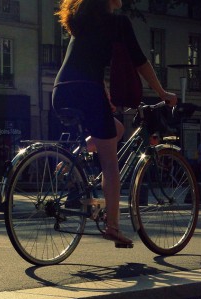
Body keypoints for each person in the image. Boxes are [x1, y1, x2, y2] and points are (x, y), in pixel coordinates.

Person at [53, 0, 177, 247]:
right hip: (88, 92)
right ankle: (113, 227)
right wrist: (162, 92)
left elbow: (85, 62)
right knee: (111, 165)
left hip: (61, 91)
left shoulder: (81, 22)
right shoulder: (118, 22)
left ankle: (72, 160)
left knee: (117, 129)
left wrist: (104, 95)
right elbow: (140, 61)